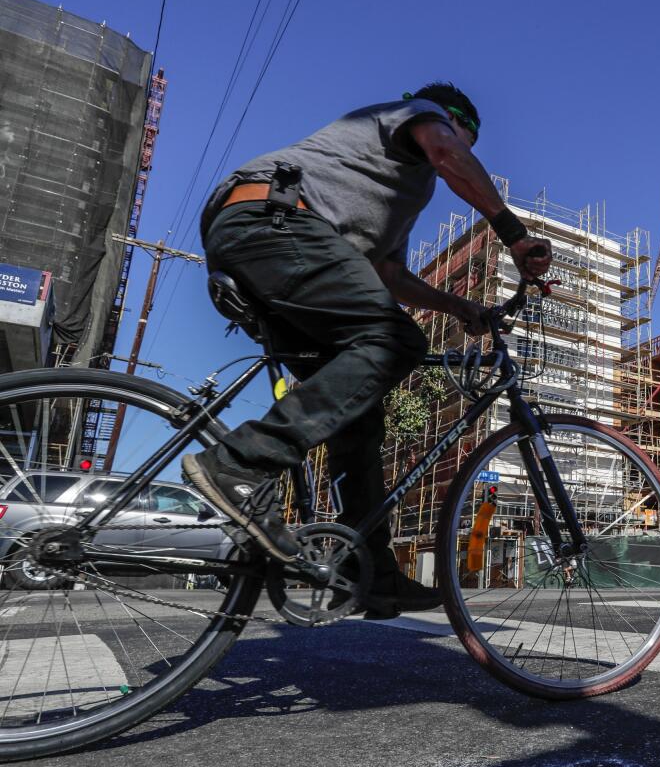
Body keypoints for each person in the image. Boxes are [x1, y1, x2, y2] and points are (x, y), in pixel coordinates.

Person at [182, 83, 552, 618]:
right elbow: (450, 154)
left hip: (276, 240)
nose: (458, 148)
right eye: (463, 136)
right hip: (274, 221)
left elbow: (389, 275)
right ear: (453, 121)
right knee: (395, 339)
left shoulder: (391, 194)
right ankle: (240, 464)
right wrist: (514, 235)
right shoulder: (417, 117)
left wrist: (456, 306)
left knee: (358, 414)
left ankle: (369, 574)